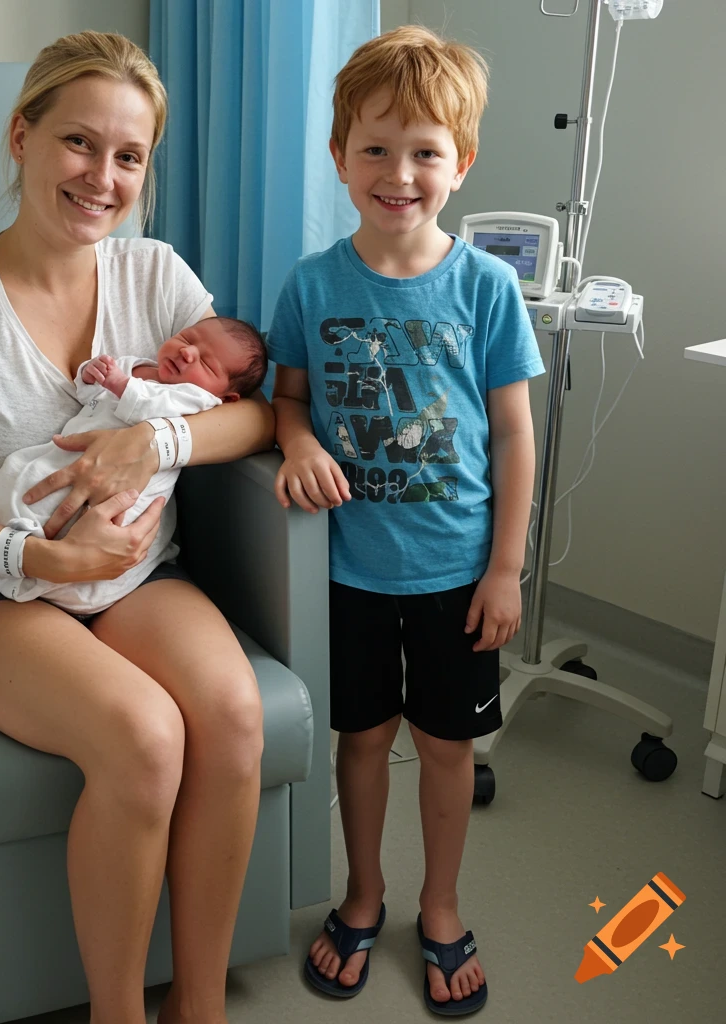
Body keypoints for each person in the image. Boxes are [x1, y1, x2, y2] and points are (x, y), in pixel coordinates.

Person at [0, 31, 273, 1024]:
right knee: (142, 733)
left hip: (131, 572)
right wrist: (35, 550)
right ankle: (118, 1013)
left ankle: (200, 1006)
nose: (103, 176)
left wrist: (154, 447)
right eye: (79, 143)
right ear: (22, 138)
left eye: (129, 156)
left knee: (235, 714)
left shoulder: (154, 277)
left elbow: (254, 413)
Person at [267, 25, 545, 1016]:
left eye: (425, 150)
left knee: (443, 747)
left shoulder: (485, 287)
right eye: (375, 148)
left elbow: (512, 435)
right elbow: (288, 399)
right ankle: (364, 891)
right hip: (345, 572)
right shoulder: (310, 284)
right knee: (359, 739)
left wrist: (505, 567)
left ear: (459, 164)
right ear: (340, 158)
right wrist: (297, 441)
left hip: (456, 573)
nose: (399, 171)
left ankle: (436, 903)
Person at [0, 316, 267, 613]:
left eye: (207, 364)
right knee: (21, 472)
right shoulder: (134, 366)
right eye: (188, 339)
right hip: (72, 457)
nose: (188, 353)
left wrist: (120, 383)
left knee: (101, 516)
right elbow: (90, 395)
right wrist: (90, 373)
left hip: (132, 488)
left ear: (227, 397)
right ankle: (18, 538)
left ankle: (50, 569)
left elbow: (152, 405)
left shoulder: (199, 399)